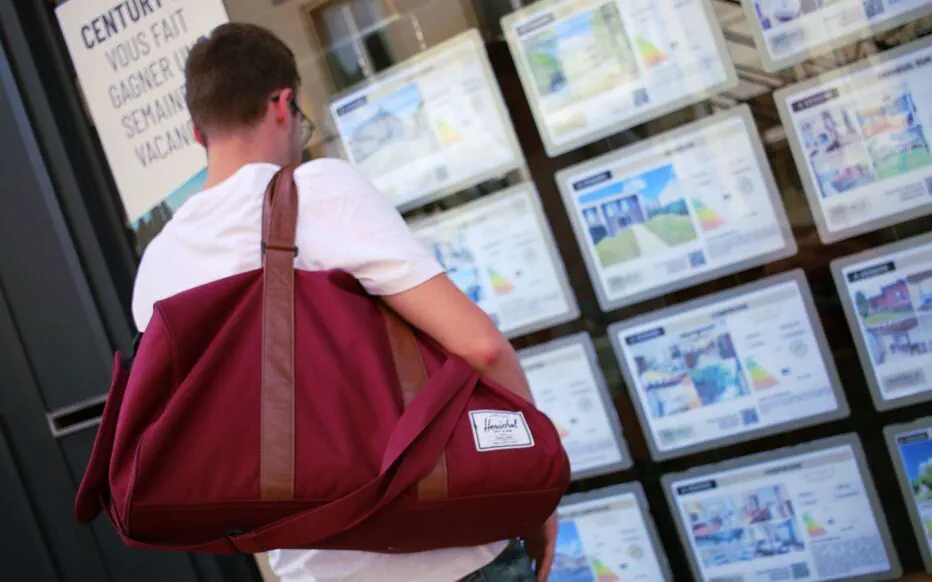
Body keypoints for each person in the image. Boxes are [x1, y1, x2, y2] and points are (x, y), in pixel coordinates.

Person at [130, 22, 557, 582]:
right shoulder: (315, 190)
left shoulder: (155, 270)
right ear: (284, 104)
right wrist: (536, 480)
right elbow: (480, 347)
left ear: (196, 133)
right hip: (446, 549)